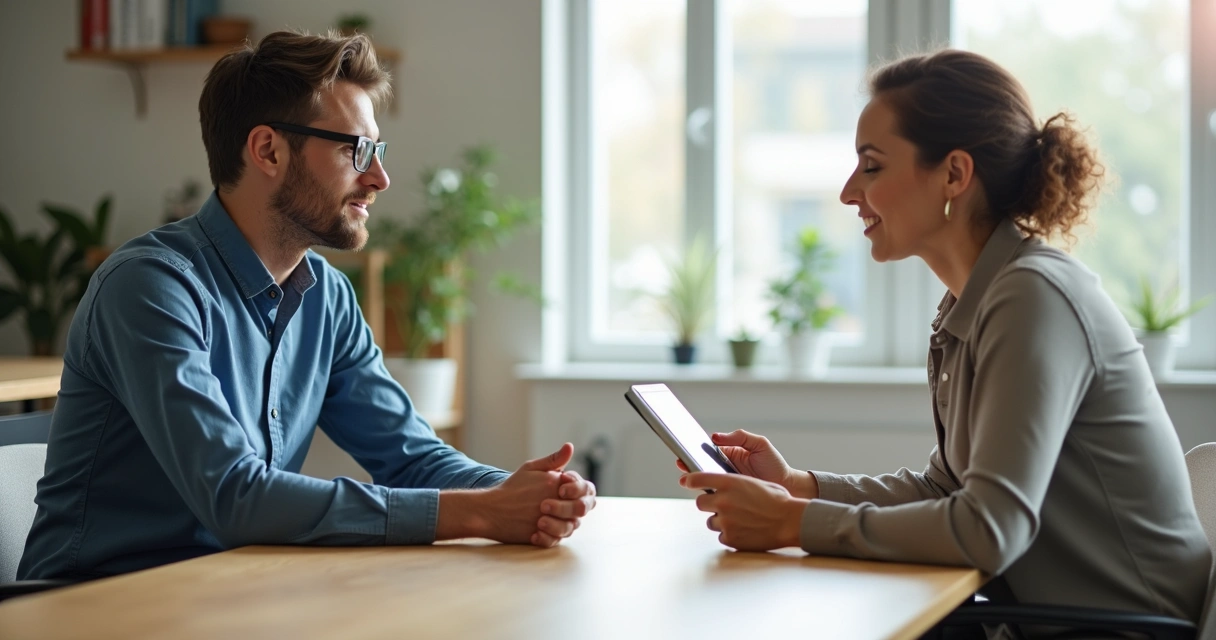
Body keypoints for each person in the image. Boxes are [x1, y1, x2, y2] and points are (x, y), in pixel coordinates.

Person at [18, 30, 595, 581]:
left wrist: (525, 494)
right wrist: (477, 513)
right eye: (357, 150)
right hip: (89, 605)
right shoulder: (150, 287)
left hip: (230, 594)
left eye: (379, 150)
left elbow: (412, 457)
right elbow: (234, 496)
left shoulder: (327, 296)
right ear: (268, 150)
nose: (380, 177)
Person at [679, 49, 1211, 632]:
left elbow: (989, 531)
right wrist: (795, 486)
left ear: (955, 174)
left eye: (872, 166)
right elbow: (945, 487)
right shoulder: (973, 302)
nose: (848, 192)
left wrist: (794, 521)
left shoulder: (1032, 297)